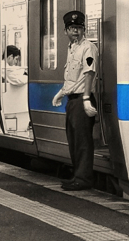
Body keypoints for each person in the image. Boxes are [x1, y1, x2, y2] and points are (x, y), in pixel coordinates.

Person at [51, 11, 99, 191]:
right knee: (73, 140)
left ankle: (84, 179)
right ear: (66, 31)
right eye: (72, 28)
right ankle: (77, 176)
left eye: (79, 28)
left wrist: (86, 98)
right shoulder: (71, 48)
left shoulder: (88, 48)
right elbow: (72, 77)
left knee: (82, 141)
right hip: (72, 100)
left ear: (84, 30)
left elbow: (89, 73)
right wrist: (61, 93)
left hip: (82, 100)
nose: (76, 32)